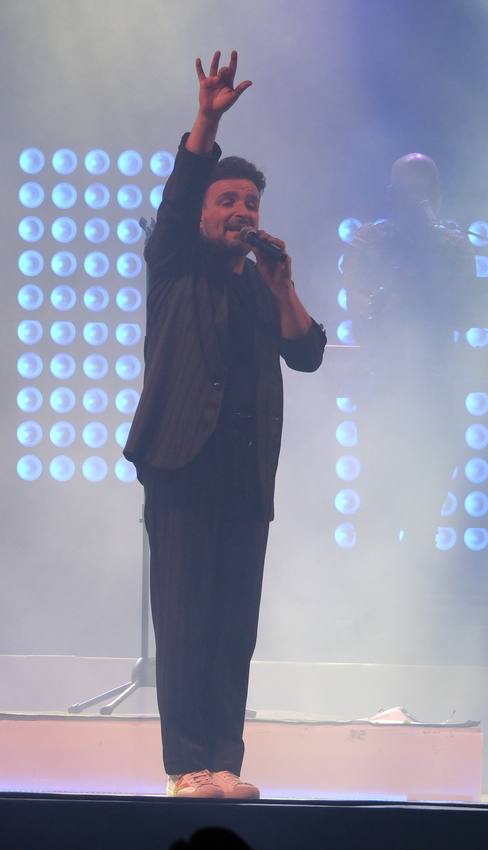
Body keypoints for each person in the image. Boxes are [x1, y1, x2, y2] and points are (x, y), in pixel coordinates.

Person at [122, 51, 326, 799]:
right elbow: (177, 196)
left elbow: (306, 351)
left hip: (245, 474)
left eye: (252, 204)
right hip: (181, 463)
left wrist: (285, 286)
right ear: (202, 210)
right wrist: (206, 118)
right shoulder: (175, 260)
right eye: (229, 200)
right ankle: (188, 768)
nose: (243, 212)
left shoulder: (256, 284)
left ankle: (226, 764)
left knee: (232, 629)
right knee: (182, 621)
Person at [343, 154, 476, 550]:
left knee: (430, 501)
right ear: (393, 194)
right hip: (383, 383)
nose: (416, 196)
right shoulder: (371, 238)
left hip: (437, 386)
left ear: (436, 194)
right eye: (407, 187)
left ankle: (420, 577)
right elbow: (354, 298)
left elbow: (466, 303)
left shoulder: (453, 243)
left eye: (424, 188)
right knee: (377, 494)